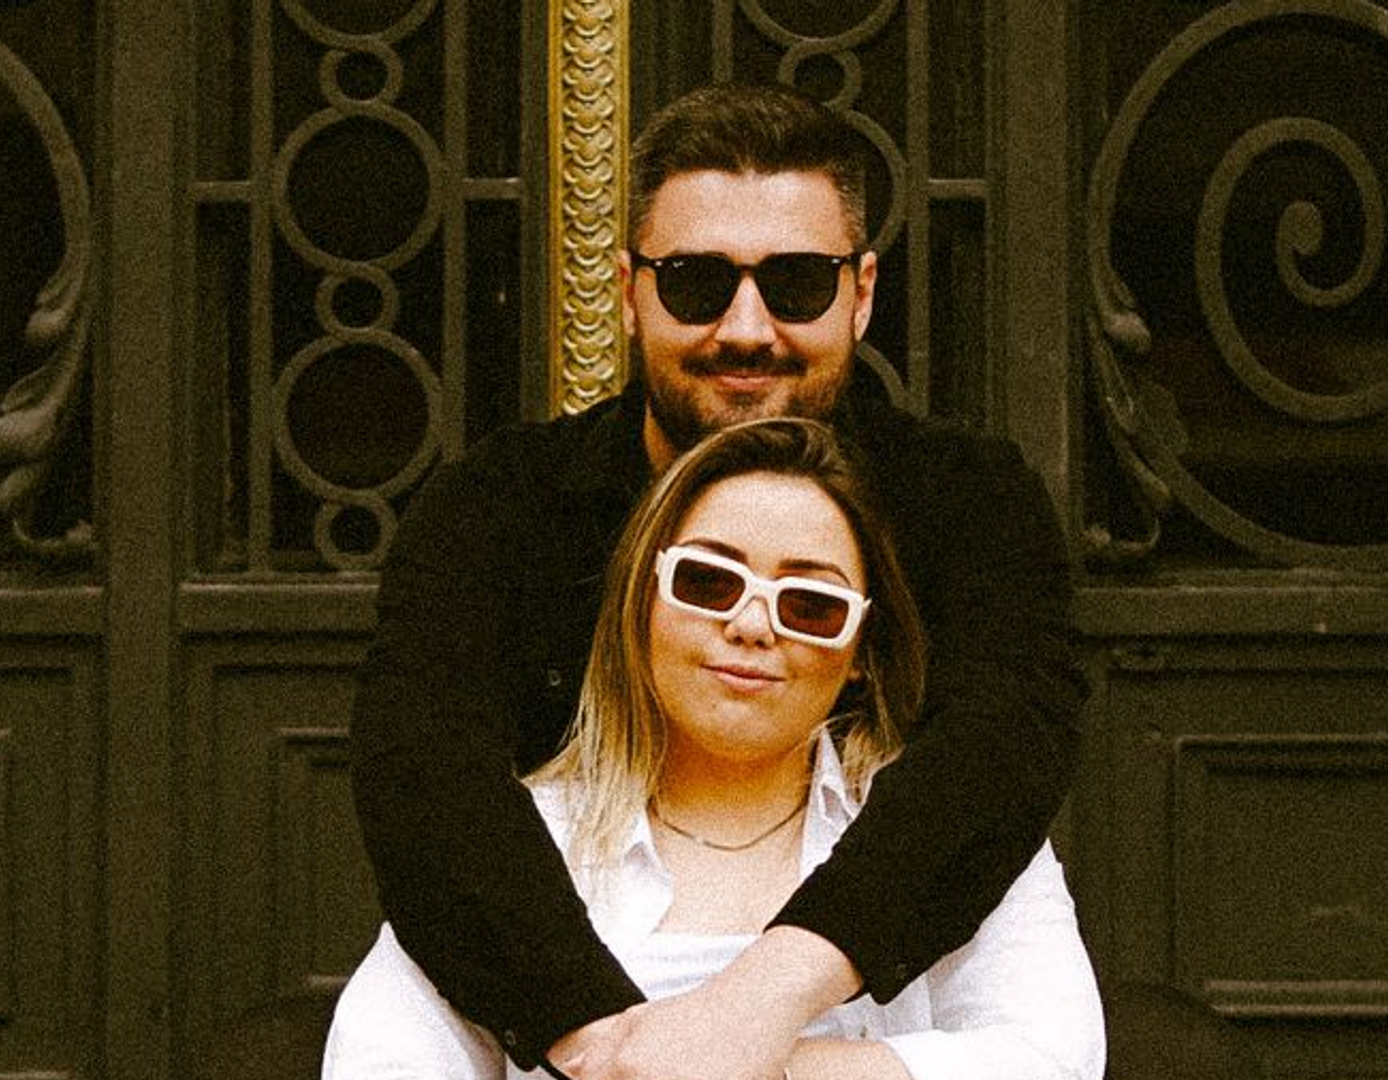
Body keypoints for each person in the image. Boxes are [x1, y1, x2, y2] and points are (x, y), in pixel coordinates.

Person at [348, 82, 1086, 1080]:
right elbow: (424, 770)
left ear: (862, 291)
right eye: (696, 282)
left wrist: (755, 1009)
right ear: (627, 291)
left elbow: (1003, 744)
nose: (746, 327)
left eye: (797, 283)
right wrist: (611, 1049)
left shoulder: (966, 500)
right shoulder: (500, 506)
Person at [328, 418, 1105, 1080]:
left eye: (811, 604)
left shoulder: (954, 839)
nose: (753, 625)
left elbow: (1052, 1060)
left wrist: (750, 1059)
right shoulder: (519, 844)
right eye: (708, 582)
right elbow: (381, 1063)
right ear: (643, 604)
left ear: (861, 654)